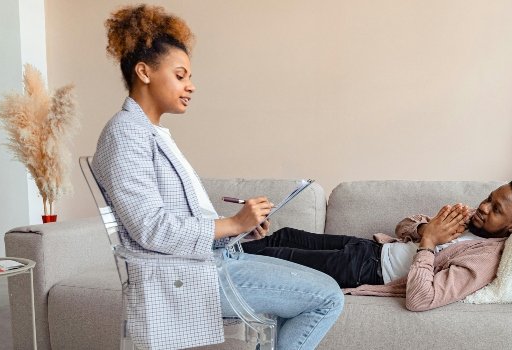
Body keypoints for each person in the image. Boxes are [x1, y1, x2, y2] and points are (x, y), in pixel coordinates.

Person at [93, 5, 343, 349]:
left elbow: (181, 221)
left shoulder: (152, 133)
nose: (191, 86)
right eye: (180, 76)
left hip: (207, 263)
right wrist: (231, 224)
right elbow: (150, 227)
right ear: (144, 72)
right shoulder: (126, 134)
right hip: (183, 276)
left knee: (321, 286)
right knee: (327, 296)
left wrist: (239, 229)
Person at [241, 171, 512, 311]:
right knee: (284, 235)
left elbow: (422, 298)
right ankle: (222, 248)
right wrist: (423, 229)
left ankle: (215, 261)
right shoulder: (468, 217)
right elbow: (403, 224)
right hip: (369, 248)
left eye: (496, 209)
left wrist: (429, 243)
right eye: (489, 198)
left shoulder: (483, 259)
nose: (483, 207)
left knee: (278, 255)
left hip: (370, 271)